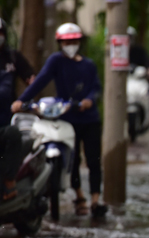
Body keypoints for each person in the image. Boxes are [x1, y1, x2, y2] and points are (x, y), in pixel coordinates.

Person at [12, 22, 107, 218]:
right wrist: (22, 100)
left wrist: (89, 100)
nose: (70, 45)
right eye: (66, 42)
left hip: (89, 119)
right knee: (72, 159)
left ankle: (96, 199)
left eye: (73, 41)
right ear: (59, 43)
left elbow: (96, 87)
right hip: (68, 118)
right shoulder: (56, 61)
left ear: (79, 41)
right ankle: (79, 196)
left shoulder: (88, 65)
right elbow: (41, 81)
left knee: (94, 159)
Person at [0, 17, 34, 201]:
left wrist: (25, 100)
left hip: (5, 122)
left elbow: (31, 79)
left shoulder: (12, 58)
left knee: (13, 134)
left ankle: (9, 182)